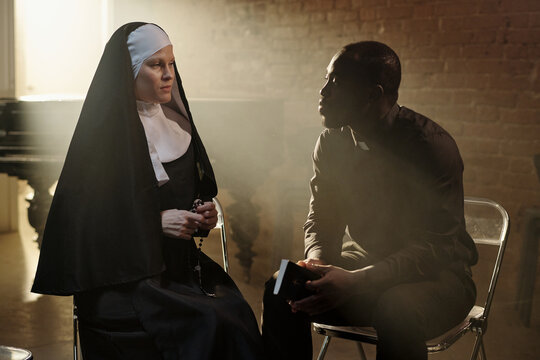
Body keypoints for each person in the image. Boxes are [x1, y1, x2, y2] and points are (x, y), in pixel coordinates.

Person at [32, 22, 263, 360]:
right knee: (210, 321)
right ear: (130, 71)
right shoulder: (101, 141)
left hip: (178, 272)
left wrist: (204, 214)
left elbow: (187, 200)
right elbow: (83, 225)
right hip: (120, 279)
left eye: (171, 64)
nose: (168, 74)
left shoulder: (179, 131)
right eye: (156, 65)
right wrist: (153, 222)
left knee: (236, 314)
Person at [262, 41, 478, 360]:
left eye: (336, 83)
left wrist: (358, 282)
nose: (323, 92)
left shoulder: (431, 147)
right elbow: (322, 218)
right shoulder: (332, 142)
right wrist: (318, 264)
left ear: (372, 95)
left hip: (439, 277)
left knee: (396, 309)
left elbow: (437, 248)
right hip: (363, 262)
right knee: (281, 286)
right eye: (326, 79)